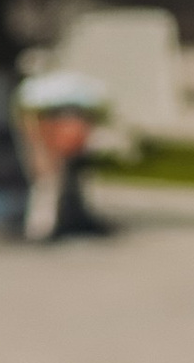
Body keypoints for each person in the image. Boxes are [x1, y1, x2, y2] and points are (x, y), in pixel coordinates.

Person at [11, 71, 120, 242]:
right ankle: (42, 229)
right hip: (49, 161)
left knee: (56, 187)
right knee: (47, 188)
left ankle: (51, 226)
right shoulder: (41, 122)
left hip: (60, 159)